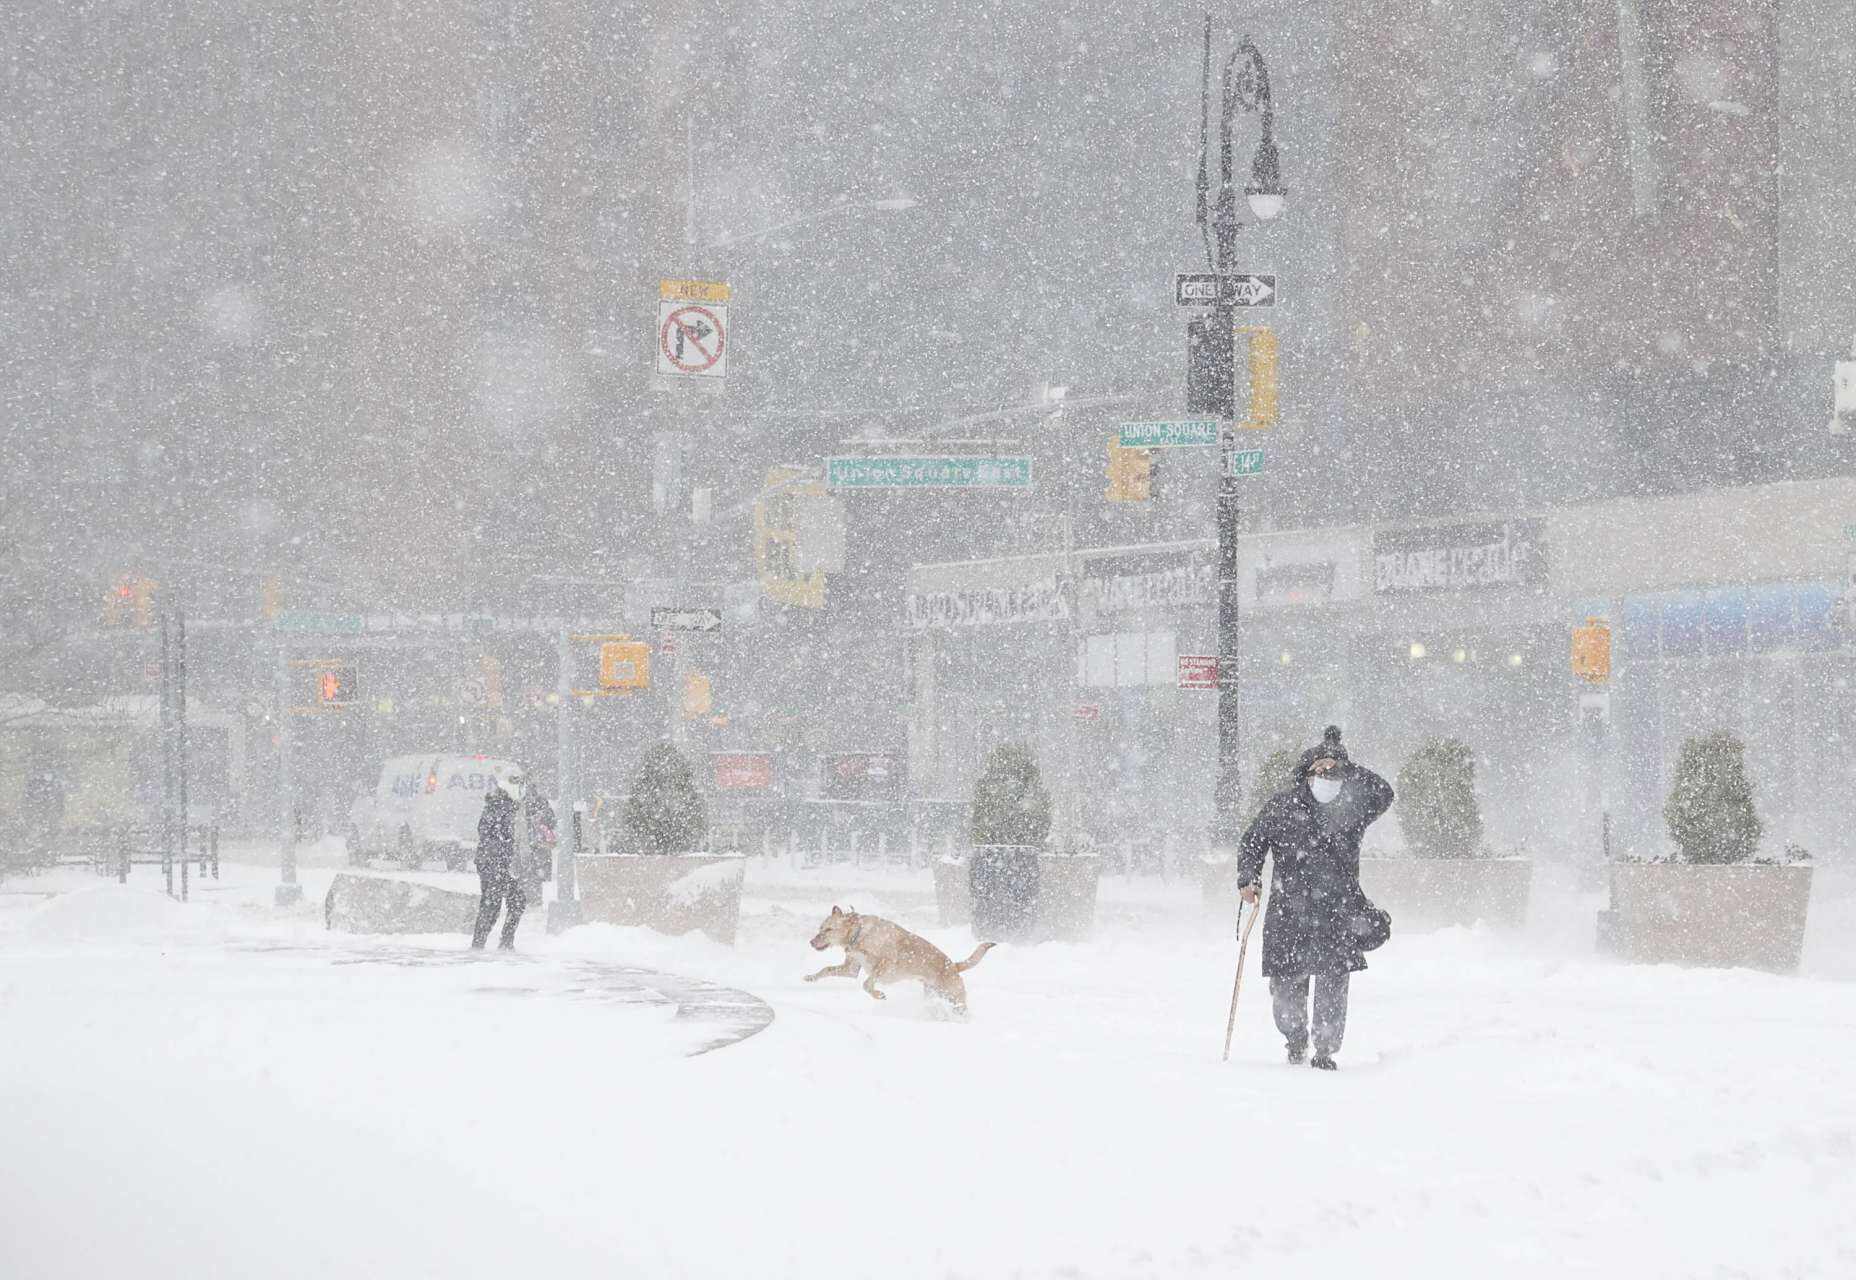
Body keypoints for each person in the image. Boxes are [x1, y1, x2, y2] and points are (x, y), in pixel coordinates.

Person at [1236, 726, 1393, 1071]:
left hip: (1338, 910)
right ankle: (1294, 1037)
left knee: (1333, 985)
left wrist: (1346, 765)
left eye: (1333, 770)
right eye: (1319, 769)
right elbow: (1252, 842)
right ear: (1304, 773)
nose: (1326, 774)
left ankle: (1325, 1049)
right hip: (1288, 910)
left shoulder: (1353, 806)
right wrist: (1248, 878)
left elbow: (1384, 792)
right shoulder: (1283, 805)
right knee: (1285, 986)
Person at [471, 776, 525, 951]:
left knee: (511, 901)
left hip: (497, 863)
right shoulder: (500, 807)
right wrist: (502, 856)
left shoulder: (501, 806)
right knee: (493, 904)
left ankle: (501, 942)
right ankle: (483, 943)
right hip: (495, 864)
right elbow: (488, 835)